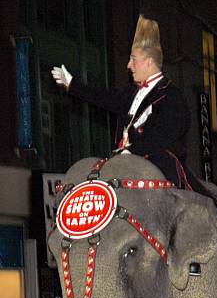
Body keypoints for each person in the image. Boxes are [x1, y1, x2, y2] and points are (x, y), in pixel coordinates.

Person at [51, 14, 191, 187]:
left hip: (160, 173)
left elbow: (163, 135)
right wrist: (72, 85)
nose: (128, 65)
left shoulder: (171, 96)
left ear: (148, 62)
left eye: (133, 59)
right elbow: (103, 97)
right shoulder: (131, 92)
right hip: (126, 165)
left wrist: (132, 151)